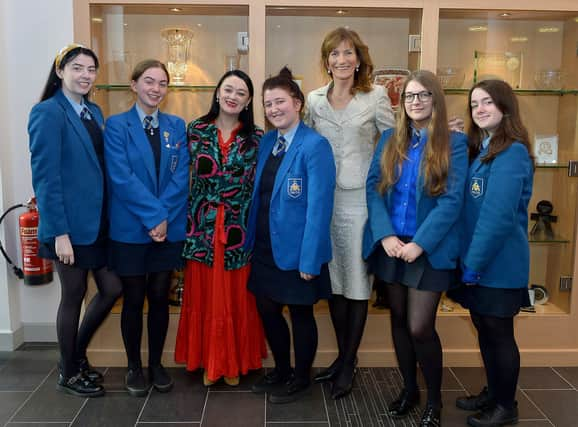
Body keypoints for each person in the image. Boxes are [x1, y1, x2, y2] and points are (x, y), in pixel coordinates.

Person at [363, 70, 468, 426]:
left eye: (423, 95)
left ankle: (435, 401)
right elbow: (373, 187)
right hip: (391, 245)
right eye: (409, 96)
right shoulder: (390, 138)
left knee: (420, 327)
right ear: (401, 102)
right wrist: (386, 236)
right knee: (397, 320)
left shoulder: (452, 142)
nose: (416, 102)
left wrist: (420, 243)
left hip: (429, 247)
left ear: (435, 99)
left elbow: (452, 201)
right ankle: (410, 390)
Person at [303, 27, 395, 399]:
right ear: (326, 61)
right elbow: (304, 144)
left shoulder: (375, 98)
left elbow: (393, 146)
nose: (341, 60)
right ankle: (342, 359)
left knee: (357, 285)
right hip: (324, 202)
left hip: (360, 202)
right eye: (334, 54)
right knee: (334, 285)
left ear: (359, 58)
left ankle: (349, 361)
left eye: (348, 53)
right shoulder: (313, 100)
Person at [28, 44, 122, 397]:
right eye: (77, 68)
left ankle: (74, 356)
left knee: (112, 288)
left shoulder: (93, 111)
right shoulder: (47, 113)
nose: (85, 75)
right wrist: (59, 233)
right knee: (74, 294)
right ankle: (68, 371)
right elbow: (46, 178)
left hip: (97, 223)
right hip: (67, 226)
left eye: (91, 69)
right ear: (60, 72)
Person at [247, 67, 336, 404]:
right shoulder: (268, 141)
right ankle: (282, 370)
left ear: (297, 103)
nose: (273, 109)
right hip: (266, 248)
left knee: (300, 315)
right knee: (268, 311)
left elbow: (319, 208)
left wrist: (310, 259)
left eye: (280, 101)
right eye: (268, 104)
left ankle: (301, 378)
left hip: (299, 252)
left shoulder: (315, 146)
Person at [448, 79, 534, 427]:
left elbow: (498, 217)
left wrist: (473, 263)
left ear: (505, 107)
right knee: (484, 327)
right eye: (474, 104)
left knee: (499, 333)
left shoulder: (511, 151)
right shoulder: (482, 148)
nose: (480, 109)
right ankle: (494, 392)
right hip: (476, 260)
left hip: (497, 263)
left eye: (487, 102)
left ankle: (506, 406)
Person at [174, 70, 267, 386]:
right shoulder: (196, 130)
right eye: (228, 89)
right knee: (205, 297)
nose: (233, 96)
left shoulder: (257, 137)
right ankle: (207, 361)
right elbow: (177, 178)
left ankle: (233, 362)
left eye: (241, 92)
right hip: (201, 227)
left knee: (236, 296)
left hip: (239, 230)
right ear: (217, 92)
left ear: (249, 100)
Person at [104, 59, 189, 397]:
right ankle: (134, 368)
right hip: (131, 229)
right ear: (134, 85)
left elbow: (181, 176)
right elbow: (121, 178)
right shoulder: (116, 126)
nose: (156, 89)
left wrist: (162, 217)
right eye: (149, 81)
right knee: (134, 298)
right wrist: (154, 217)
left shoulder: (176, 126)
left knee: (159, 298)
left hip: (167, 229)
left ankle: (156, 364)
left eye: (162, 83)